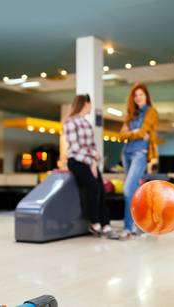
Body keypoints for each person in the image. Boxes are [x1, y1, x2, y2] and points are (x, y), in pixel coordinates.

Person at [63, 94, 117, 239]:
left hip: (90, 162)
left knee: (101, 188)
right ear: (86, 104)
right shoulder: (70, 123)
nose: (91, 107)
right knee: (92, 186)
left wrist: (94, 163)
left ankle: (105, 225)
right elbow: (75, 148)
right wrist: (91, 161)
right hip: (76, 160)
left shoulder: (87, 124)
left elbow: (93, 146)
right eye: (90, 104)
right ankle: (94, 222)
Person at [119, 83, 159, 240]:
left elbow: (142, 131)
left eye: (141, 94)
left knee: (128, 189)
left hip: (140, 154)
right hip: (126, 154)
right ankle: (138, 225)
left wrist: (132, 132)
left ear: (146, 96)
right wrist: (135, 133)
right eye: (135, 95)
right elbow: (121, 135)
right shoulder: (131, 114)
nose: (138, 98)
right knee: (134, 192)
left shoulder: (151, 112)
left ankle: (127, 228)